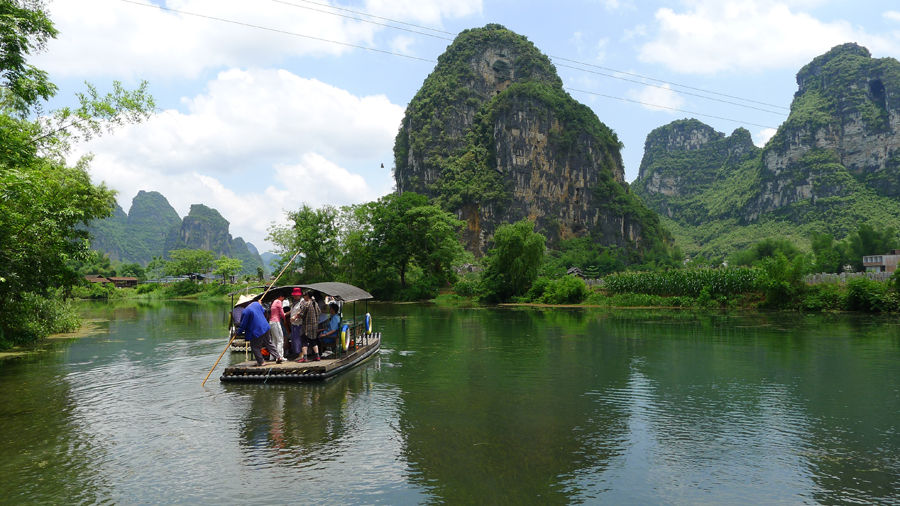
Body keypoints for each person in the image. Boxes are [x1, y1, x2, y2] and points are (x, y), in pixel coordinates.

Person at [237, 300, 280, 366]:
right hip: (265, 326)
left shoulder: (245, 311)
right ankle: (278, 357)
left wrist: (238, 332)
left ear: (243, 304)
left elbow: (243, 325)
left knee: (255, 347)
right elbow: (263, 311)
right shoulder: (256, 304)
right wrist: (260, 304)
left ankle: (262, 362)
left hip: (257, 330)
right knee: (268, 342)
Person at [296, 290, 321, 363]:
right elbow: (319, 312)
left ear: (307, 296)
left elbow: (301, 314)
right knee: (313, 340)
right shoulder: (315, 303)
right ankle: (317, 356)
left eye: (304, 295)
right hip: (314, 325)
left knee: (304, 341)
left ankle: (305, 357)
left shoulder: (306, 304)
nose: (303, 297)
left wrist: (296, 315)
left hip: (307, 326)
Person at [267, 293, 287, 362]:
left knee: (274, 340)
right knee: (280, 340)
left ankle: (272, 356)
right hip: (276, 322)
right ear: (281, 296)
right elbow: (282, 313)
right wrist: (285, 317)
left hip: (271, 322)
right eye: (283, 297)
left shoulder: (273, 302)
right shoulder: (278, 302)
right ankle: (280, 356)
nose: (283, 299)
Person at [288, 287, 304, 358]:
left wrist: (295, 316)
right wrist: (286, 314)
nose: (295, 296)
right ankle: (298, 354)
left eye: (296, 295)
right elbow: (292, 311)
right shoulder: (294, 302)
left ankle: (302, 354)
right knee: (294, 339)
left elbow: (301, 311)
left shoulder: (302, 302)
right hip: (294, 323)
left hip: (299, 323)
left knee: (299, 339)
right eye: (294, 295)